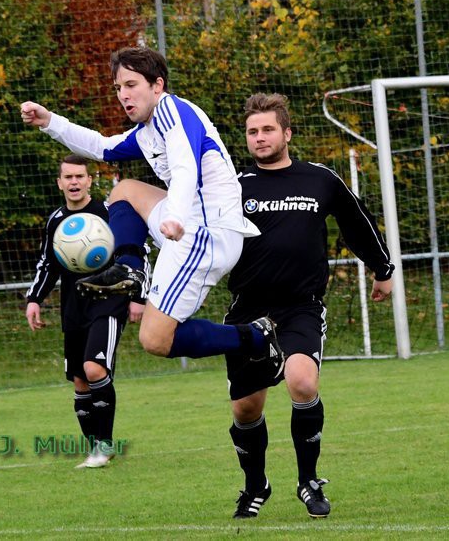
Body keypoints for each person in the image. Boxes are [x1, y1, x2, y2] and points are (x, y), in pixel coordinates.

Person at [20, 46, 284, 373]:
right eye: (118, 88)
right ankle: (131, 268)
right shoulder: (148, 129)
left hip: (206, 232)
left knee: (155, 339)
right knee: (124, 191)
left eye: (131, 85)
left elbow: (187, 167)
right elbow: (102, 147)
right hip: (188, 222)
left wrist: (174, 216)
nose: (123, 95)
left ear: (157, 86)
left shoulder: (171, 110)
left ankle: (257, 338)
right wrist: (50, 122)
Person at [225, 93, 394, 519]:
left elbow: (358, 222)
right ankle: (255, 485)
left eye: (267, 129)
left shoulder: (319, 179)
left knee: (302, 382)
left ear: (286, 133)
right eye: (252, 131)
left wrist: (382, 268)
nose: (259, 138)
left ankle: (308, 481)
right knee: (247, 409)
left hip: (300, 306)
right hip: (248, 311)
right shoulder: (232, 186)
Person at [25, 154, 146, 468]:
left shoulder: (108, 213)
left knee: (95, 368)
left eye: (80, 176)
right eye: (68, 177)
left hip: (109, 300)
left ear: (90, 180)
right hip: (74, 305)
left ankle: (104, 448)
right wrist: (34, 298)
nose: (74, 182)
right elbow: (48, 263)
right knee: (80, 380)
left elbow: (137, 251)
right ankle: (94, 449)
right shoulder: (56, 220)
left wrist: (139, 296)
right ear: (60, 182)